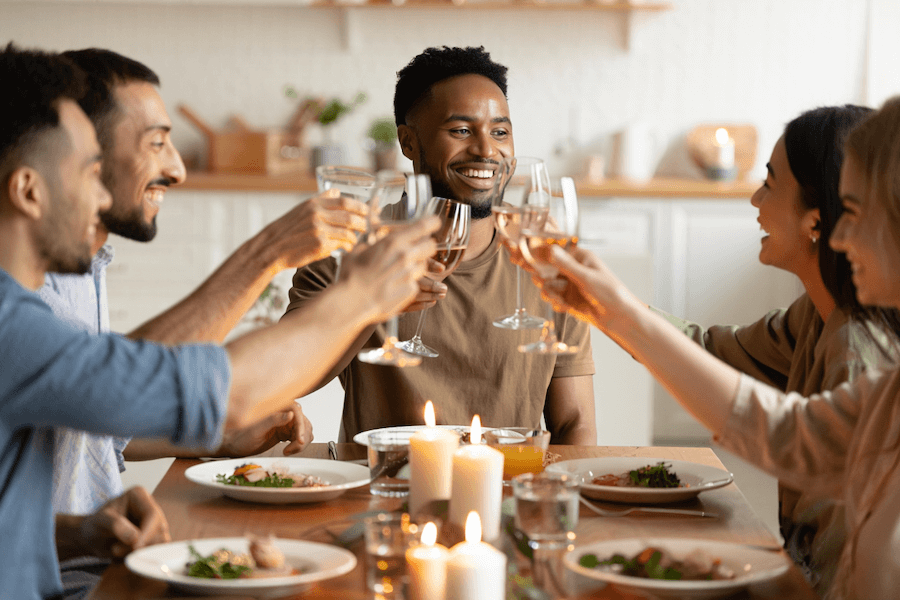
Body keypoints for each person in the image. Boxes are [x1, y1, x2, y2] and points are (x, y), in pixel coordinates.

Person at [0, 43, 437, 599]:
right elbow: (224, 391)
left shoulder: (32, 303)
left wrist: (76, 532)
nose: (102, 190)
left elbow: (100, 408)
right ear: (29, 190)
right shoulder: (13, 325)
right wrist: (360, 294)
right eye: (89, 169)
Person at [530, 96, 900, 600]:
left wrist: (618, 312)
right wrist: (607, 309)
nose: (843, 233)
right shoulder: (828, 334)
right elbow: (763, 413)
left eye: (853, 211)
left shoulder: (861, 354)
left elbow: (832, 556)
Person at [285, 46, 596, 444]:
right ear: (408, 143)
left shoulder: (548, 260)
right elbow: (289, 375)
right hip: (383, 491)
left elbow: (575, 422)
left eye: (500, 132)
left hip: (511, 492)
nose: (486, 150)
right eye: (461, 131)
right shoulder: (348, 253)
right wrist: (368, 304)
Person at [652, 106, 899, 592]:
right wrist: (597, 304)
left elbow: (836, 565)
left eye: (769, 183)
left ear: (816, 220)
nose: (754, 199)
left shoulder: (860, 353)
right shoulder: (815, 316)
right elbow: (710, 353)